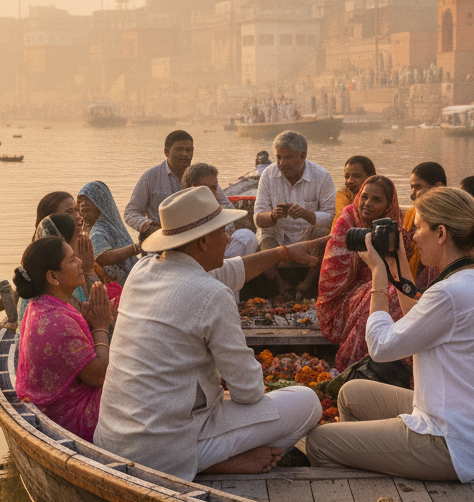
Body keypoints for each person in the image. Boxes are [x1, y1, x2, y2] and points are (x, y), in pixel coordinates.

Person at [93, 188, 321, 480]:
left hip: (113, 441)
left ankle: (211, 453)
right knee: (307, 403)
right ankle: (212, 461)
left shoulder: (142, 270)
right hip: (164, 452)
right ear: (202, 241)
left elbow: (228, 271)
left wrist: (284, 252)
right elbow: (248, 391)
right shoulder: (212, 294)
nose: (229, 238)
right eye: (223, 231)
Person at [305, 187, 474, 483]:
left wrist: (377, 274)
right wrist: (395, 263)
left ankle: (364, 497)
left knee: (320, 442)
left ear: (441, 233)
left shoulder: (450, 292)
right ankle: (376, 467)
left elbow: (379, 346)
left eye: (418, 228)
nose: (412, 237)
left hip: (453, 445)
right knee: (352, 393)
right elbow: (419, 313)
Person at [14, 235, 117, 442]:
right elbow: (98, 375)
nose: (80, 262)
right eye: (72, 260)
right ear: (52, 277)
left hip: (55, 410)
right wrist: (100, 327)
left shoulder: (41, 305)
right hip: (71, 419)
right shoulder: (57, 321)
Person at [317, 176, 410, 371]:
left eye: (376, 200)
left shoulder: (392, 225)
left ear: (387, 206)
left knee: (398, 293)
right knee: (388, 293)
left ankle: (391, 360)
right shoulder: (347, 220)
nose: (367, 204)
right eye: (364, 197)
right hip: (341, 299)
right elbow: (331, 279)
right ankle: (359, 363)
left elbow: (399, 271)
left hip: (381, 287)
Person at [253, 130, 336, 297]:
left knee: (325, 234)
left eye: (288, 157)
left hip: (308, 234)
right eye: (278, 157)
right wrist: (273, 216)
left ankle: (307, 284)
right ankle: (279, 283)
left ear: (302, 156)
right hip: (278, 234)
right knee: (265, 235)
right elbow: (258, 218)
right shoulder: (268, 174)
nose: (282, 163)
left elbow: (331, 219)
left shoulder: (322, 176)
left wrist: (306, 214)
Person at [125, 130, 232, 242]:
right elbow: (131, 212)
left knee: (243, 235)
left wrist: (212, 224)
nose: (185, 154)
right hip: (163, 240)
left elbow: (227, 207)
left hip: (197, 238)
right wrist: (149, 226)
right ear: (167, 152)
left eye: (189, 150)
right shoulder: (150, 177)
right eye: (179, 149)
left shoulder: (201, 176)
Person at [181, 162, 258, 258]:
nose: (213, 192)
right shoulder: (185, 212)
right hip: (200, 260)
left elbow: (230, 212)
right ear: (193, 187)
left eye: (214, 188)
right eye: (207, 188)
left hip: (220, 256)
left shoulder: (214, 207)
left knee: (246, 235)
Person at [77, 181, 140, 284]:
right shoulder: (96, 231)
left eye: (86, 202)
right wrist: (136, 248)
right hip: (111, 287)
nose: (82, 208)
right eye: (80, 204)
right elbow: (102, 257)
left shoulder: (104, 228)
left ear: (100, 204)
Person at [403, 162, 446, 289]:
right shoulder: (412, 214)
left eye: (417, 187)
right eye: (411, 188)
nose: (412, 194)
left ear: (437, 187)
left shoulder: (449, 218)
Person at [332, 155, 377, 229]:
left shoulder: (381, 193)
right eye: (347, 177)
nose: (350, 181)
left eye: (357, 176)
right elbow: (341, 224)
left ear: (370, 177)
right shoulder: (344, 194)